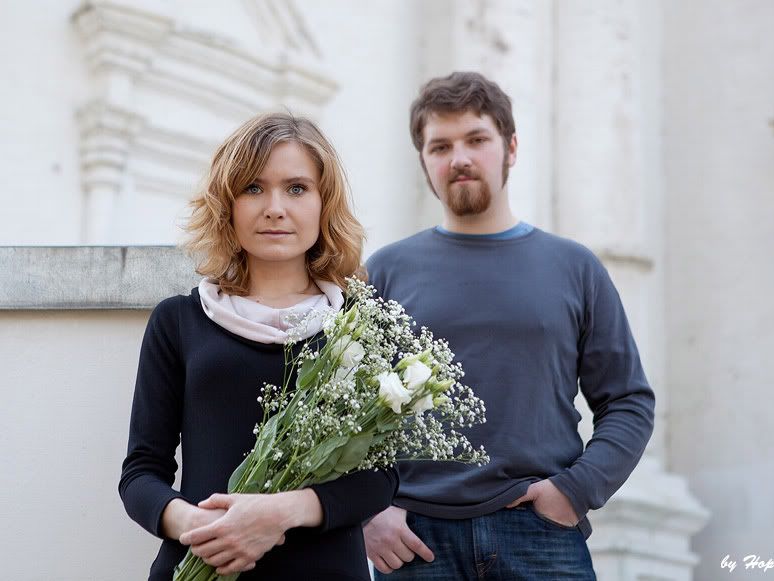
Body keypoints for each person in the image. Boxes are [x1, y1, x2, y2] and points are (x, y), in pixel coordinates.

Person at [363, 72, 656, 580]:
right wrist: (369, 515)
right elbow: (343, 412)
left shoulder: (575, 268)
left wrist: (575, 491)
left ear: (511, 147)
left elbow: (628, 401)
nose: (459, 158)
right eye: (440, 146)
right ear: (424, 161)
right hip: (415, 543)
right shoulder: (385, 272)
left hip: (542, 536)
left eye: (477, 139)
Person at [119, 112, 398, 581]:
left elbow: (381, 478)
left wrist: (278, 514)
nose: (274, 208)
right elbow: (141, 474)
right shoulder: (178, 321)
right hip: (202, 563)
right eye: (253, 188)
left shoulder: (361, 323)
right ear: (226, 204)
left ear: (324, 203)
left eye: (297, 188)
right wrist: (201, 527)